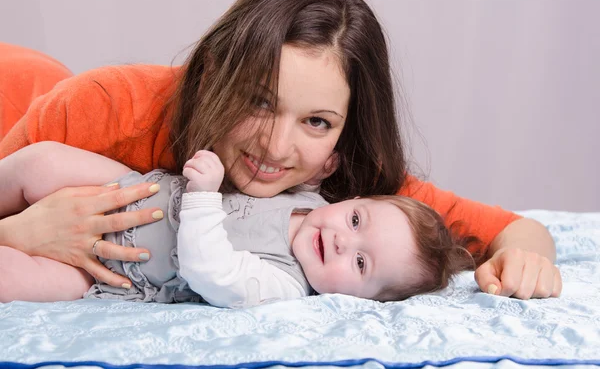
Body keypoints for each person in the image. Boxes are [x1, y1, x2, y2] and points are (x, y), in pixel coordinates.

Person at [0, 0, 561, 300]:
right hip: (17, 92)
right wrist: (22, 229)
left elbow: (518, 230)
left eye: (316, 121)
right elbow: (26, 170)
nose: (275, 147)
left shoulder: (354, 198)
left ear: (343, 140)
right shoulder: (109, 107)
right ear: (219, 70)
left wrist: (525, 262)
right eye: (260, 101)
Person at [0, 142, 477, 306]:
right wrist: (318, 161)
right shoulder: (311, 199)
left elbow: (213, 273)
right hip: (132, 190)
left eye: (360, 261)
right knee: (39, 164)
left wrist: (206, 196)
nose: (339, 238)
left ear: (363, 300)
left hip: (116, 272)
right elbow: (282, 167)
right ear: (351, 197)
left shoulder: (284, 285)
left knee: (13, 277)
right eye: (356, 220)